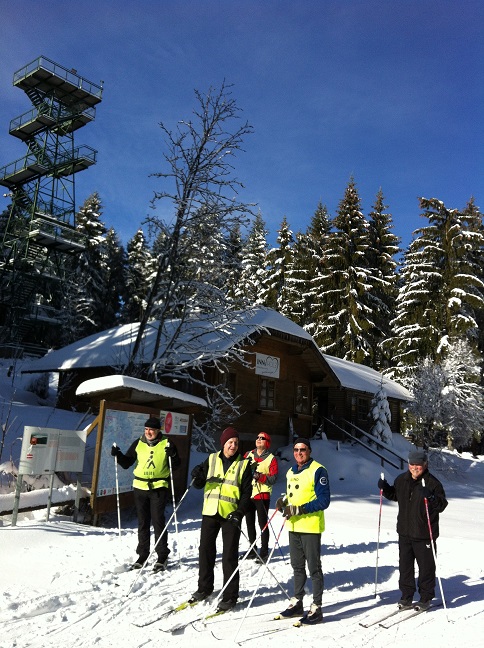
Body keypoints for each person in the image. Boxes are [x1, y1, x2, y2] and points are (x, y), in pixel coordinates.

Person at [189, 426, 253, 612]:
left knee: (229, 556)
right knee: (205, 552)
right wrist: (197, 475)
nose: (233, 446)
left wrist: (240, 512)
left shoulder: (244, 464)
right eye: (229, 442)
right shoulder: (211, 459)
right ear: (223, 443)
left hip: (230, 515)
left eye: (235, 443)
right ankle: (204, 588)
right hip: (210, 512)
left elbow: (247, 492)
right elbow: (200, 484)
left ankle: (230, 595)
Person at [378, 449, 448, 611]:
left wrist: (431, 497)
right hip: (405, 531)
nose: (415, 468)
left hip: (424, 533)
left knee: (426, 567)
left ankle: (425, 597)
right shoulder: (402, 479)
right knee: (405, 567)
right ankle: (406, 596)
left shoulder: (432, 483)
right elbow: (396, 496)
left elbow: (442, 505)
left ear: (425, 465)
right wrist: (386, 488)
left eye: (418, 465)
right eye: (412, 464)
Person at [111, 416, 180, 572]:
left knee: (158, 521)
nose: (149, 432)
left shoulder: (167, 443)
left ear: (158, 431)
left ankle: (162, 555)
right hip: (140, 487)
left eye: (152, 430)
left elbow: (176, 465)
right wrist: (118, 455)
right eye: (147, 429)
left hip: (159, 487)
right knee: (142, 522)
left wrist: (173, 455)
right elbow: (127, 463)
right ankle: (143, 554)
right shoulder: (138, 443)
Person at [276, 437, 330, 625]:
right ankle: (297, 601)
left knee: (314, 568)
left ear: (309, 451)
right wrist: (284, 500)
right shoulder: (291, 471)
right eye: (296, 449)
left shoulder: (318, 470)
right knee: (297, 567)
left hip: (310, 527)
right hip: (293, 526)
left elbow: (324, 501)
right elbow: (293, 494)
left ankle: (317, 607)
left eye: (303, 449)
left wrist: (299, 509)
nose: (299, 452)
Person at [243, 431, 278, 561]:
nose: (258, 439)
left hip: (262, 495)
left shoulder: (271, 458)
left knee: (262, 523)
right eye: (257, 437)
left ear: (267, 443)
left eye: (262, 438)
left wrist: (260, 477)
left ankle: (264, 551)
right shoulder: (248, 455)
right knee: (249, 523)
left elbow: (273, 478)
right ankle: (252, 549)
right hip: (248, 494)